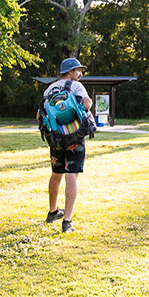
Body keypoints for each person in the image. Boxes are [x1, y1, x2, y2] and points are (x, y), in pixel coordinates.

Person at [44, 58, 93, 233]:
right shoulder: (76, 86)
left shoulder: (50, 89)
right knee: (72, 175)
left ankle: (52, 212)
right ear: (70, 71)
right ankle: (67, 221)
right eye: (78, 70)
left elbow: (40, 115)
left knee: (56, 174)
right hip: (74, 138)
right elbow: (87, 104)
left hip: (56, 139)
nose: (80, 74)